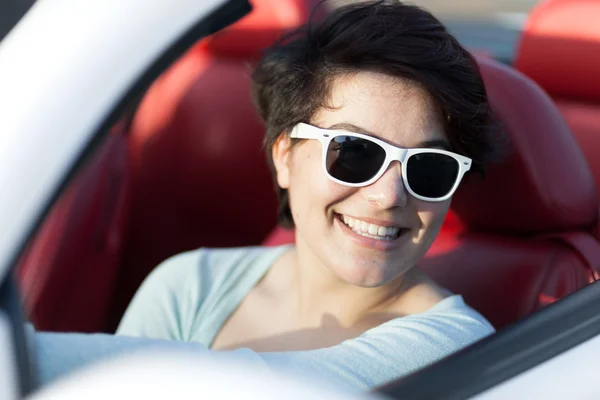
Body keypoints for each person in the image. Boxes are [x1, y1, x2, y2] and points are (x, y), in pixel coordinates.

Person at [34, 0, 503, 390]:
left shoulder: (457, 347)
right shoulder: (189, 287)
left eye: (430, 167)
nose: (386, 195)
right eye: (354, 153)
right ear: (284, 156)